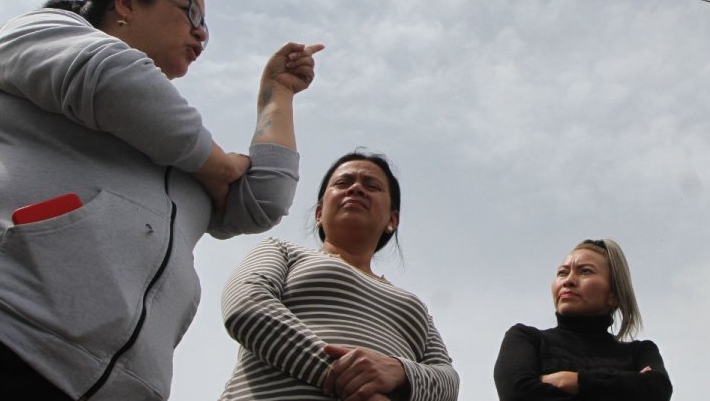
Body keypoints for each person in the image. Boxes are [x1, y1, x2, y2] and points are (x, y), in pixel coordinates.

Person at [0, 0, 322, 400]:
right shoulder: (41, 32)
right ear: (126, 2)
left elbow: (263, 200)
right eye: (193, 12)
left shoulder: (178, 144)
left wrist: (276, 93)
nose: (201, 32)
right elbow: (107, 78)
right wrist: (218, 165)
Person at [220, 150, 460, 401]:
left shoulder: (414, 306)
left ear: (392, 219)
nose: (356, 188)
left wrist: (401, 371)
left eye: (372, 185)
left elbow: (448, 382)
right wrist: (351, 383)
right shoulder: (282, 251)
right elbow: (246, 305)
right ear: (319, 213)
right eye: (342, 183)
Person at [493, 238, 672, 401]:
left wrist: (573, 380)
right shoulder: (526, 338)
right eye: (562, 273)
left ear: (614, 295)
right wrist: (625, 387)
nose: (568, 281)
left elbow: (658, 390)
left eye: (585, 271)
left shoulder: (639, 352)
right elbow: (517, 394)